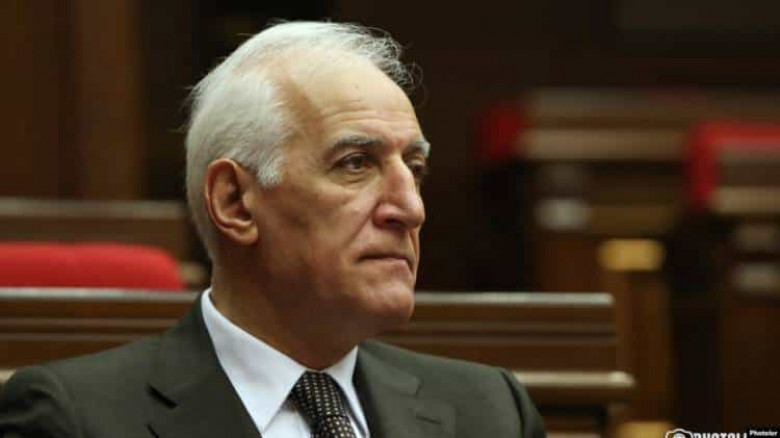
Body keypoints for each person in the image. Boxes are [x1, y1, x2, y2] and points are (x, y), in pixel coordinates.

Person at [0, 21, 545, 438]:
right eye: (356, 163)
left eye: (415, 169)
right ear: (235, 202)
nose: (410, 207)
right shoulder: (74, 420)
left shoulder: (489, 413)